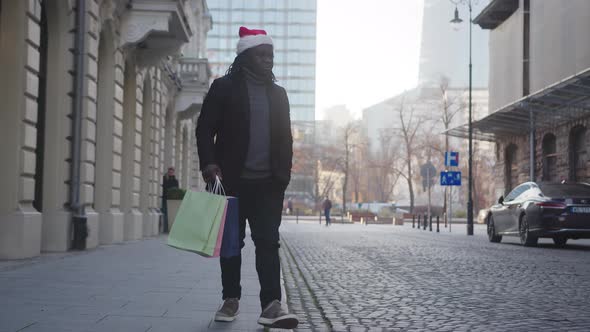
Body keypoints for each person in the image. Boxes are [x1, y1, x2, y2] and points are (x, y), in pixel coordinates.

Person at [196, 26, 298, 329]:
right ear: (246, 56)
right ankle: (231, 299)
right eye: (262, 55)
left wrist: (283, 175)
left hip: (269, 184)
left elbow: (286, 139)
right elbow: (205, 129)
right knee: (231, 243)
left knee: (268, 243)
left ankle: (271, 306)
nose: (268, 60)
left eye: (271, 55)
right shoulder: (223, 87)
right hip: (231, 181)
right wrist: (209, 164)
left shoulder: (278, 94)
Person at [161, 167, 179, 233]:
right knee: (165, 214)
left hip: (172, 200)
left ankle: (170, 228)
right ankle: (165, 229)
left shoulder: (175, 181)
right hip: (165, 199)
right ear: (168, 172)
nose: (170, 173)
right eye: (169, 172)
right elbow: (164, 188)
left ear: (173, 172)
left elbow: (176, 189)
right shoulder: (164, 179)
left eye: (172, 172)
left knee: (170, 215)